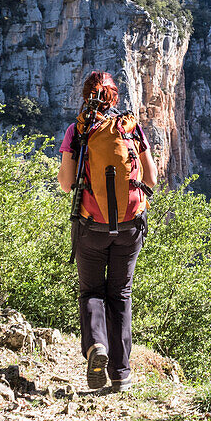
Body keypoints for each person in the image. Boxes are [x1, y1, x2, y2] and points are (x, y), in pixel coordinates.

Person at [57, 71, 158, 392]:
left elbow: (65, 183)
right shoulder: (130, 127)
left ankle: (95, 346)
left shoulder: (78, 131)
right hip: (130, 226)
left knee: (91, 292)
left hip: (91, 226)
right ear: (114, 98)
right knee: (121, 294)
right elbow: (152, 179)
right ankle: (121, 373)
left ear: (86, 96)